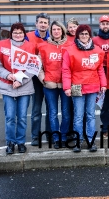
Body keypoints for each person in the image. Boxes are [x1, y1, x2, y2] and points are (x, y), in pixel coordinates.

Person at [62, 24, 107, 152]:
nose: (84, 36)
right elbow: (66, 70)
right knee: (78, 116)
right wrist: (67, 87)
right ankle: (78, 141)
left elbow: (100, 69)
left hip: (93, 86)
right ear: (77, 35)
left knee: (91, 115)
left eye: (86, 33)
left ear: (90, 35)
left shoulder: (97, 50)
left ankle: (90, 141)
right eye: (81, 33)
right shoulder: (70, 50)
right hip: (77, 87)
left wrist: (103, 84)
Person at [0, 23, 36, 154]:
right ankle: (10, 142)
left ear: (24, 34)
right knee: (10, 117)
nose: (18, 35)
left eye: (20, 32)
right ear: (11, 34)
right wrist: (8, 75)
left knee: (22, 117)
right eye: (15, 32)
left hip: (24, 86)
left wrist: (20, 80)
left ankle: (21, 142)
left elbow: (32, 68)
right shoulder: (3, 46)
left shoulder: (30, 47)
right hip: (7, 86)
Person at [38, 21, 71, 149]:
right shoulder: (43, 46)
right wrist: (43, 79)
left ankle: (63, 137)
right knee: (52, 113)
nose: (56, 31)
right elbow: (38, 66)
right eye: (54, 29)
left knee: (66, 113)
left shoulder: (70, 45)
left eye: (58, 29)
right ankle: (56, 138)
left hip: (65, 85)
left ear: (62, 31)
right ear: (50, 31)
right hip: (49, 84)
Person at [27, 12, 51, 146]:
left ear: (48, 25)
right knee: (36, 109)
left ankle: (49, 136)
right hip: (35, 78)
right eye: (40, 22)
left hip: (49, 77)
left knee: (50, 109)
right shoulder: (28, 37)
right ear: (36, 23)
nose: (43, 25)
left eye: (45, 22)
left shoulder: (52, 37)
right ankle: (35, 136)